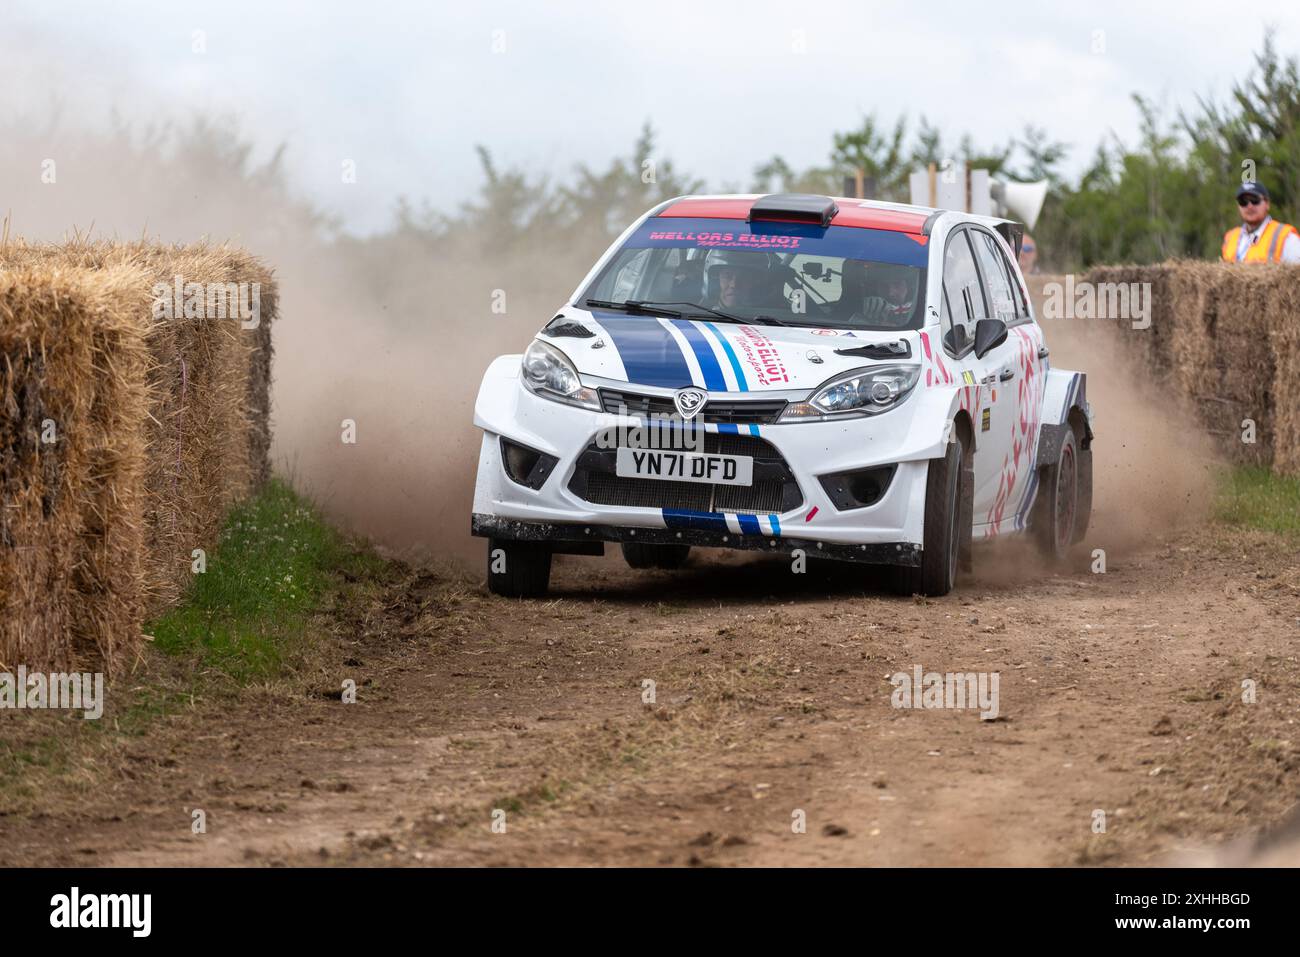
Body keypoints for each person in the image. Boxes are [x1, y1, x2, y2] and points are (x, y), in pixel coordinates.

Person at [1221, 182, 1300, 263]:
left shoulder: (1286, 237)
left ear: (1267, 204)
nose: (1249, 206)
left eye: (1255, 200)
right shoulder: (1230, 237)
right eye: (1243, 202)